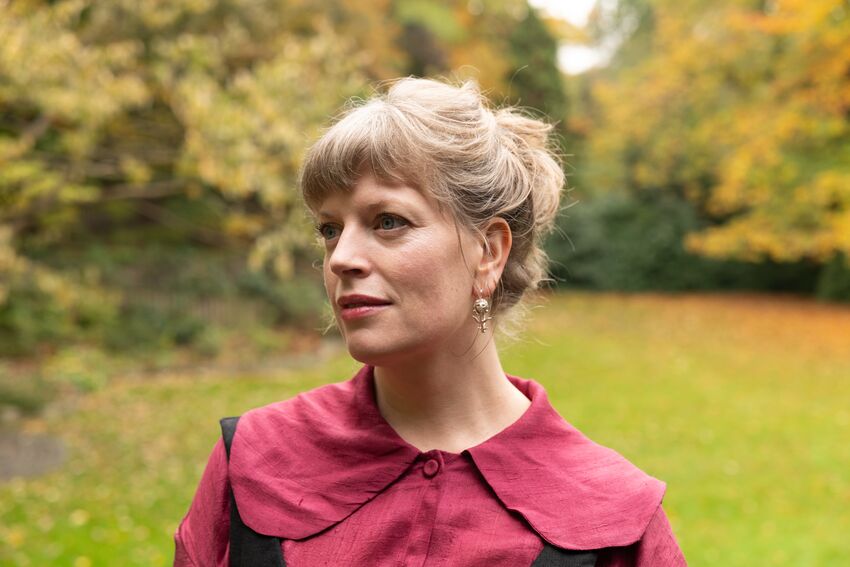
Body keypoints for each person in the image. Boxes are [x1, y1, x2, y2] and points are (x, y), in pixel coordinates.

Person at [173, 77, 687, 566]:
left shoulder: (614, 514)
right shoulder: (256, 459)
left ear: (488, 252)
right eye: (330, 228)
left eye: (388, 222)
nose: (340, 258)